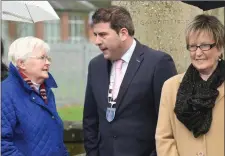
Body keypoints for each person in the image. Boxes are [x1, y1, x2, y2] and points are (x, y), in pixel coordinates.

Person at [83, 6, 177, 156]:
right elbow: (90, 119)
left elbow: (170, 121)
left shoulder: (158, 63)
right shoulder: (95, 66)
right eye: (95, 34)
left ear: (123, 33)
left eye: (102, 35)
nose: (97, 41)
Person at [155, 14, 224, 156]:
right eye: (193, 46)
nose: (198, 53)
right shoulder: (171, 87)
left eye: (205, 46)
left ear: (220, 48)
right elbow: (164, 138)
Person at [1, 36, 69, 156]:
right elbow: (3, 146)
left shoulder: (46, 91)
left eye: (48, 58)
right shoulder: (5, 93)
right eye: (42, 58)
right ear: (22, 63)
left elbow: (55, 138)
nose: (48, 62)